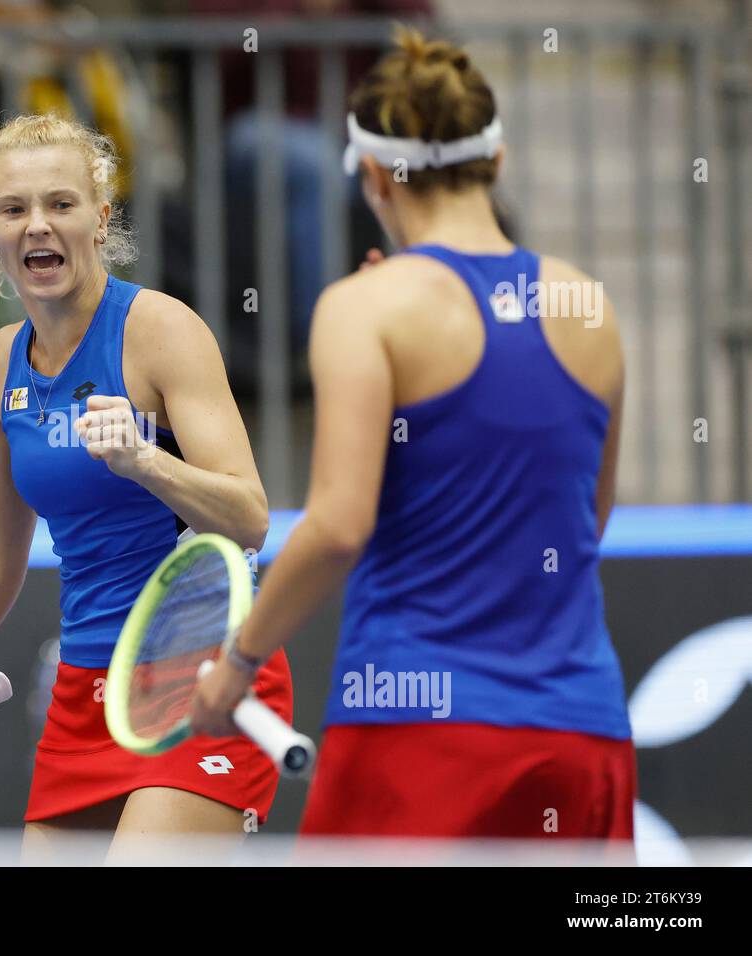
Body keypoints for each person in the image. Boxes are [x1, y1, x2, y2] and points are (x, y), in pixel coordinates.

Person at [191, 26, 635, 846]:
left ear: (374, 175)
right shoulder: (590, 306)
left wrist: (239, 662)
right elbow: (584, 525)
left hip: (420, 729)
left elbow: (337, 527)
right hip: (584, 730)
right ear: (497, 164)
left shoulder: (364, 309)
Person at [0, 113, 293, 863]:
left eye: (61, 204)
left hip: (204, 675)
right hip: (86, 691)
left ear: (101, 216)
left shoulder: (161, 331)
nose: (38, 228)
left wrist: (146, 462)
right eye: (14, 210)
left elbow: (249, 517)